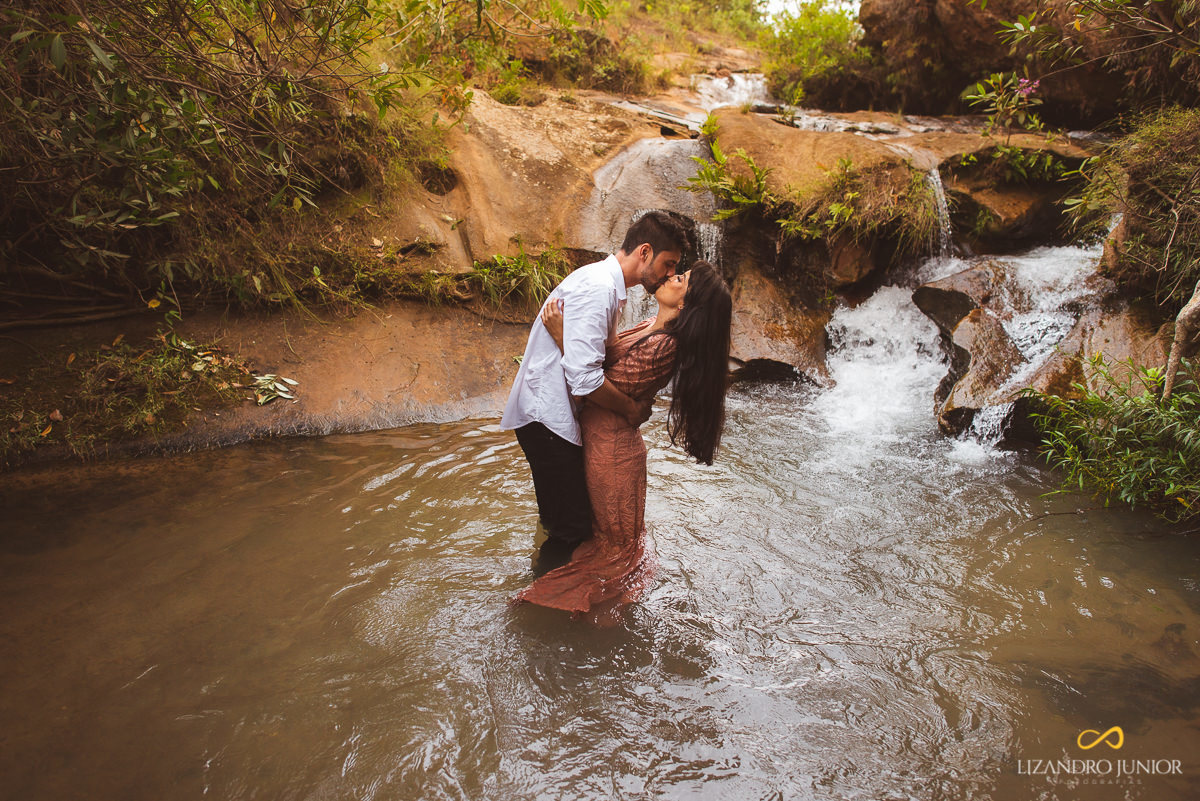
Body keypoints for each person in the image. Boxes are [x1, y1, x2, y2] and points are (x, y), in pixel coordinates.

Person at [513, 260, 732, 617]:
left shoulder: (665, 344)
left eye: (683, 279)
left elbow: (599, 385)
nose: (673, 277)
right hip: (602, 441)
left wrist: (562, 336)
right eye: (678, 272)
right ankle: (590, 619)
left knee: (611, 553)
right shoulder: (651, 326)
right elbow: (603, 361)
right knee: (599, 540)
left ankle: (595, 628)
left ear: (687, 305)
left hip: (612, 454)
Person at [500, 212, 690, 570]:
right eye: (669, 264)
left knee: (567, 521)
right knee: (570, 531)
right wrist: (630, 409)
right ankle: (545, 611)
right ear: (645, 252)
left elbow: (596, 362)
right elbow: (585, 379)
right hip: (548, 418)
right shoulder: (599, 289)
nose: (668, 274)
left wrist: (563, 338)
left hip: (555, 416)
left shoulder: (609, 289)